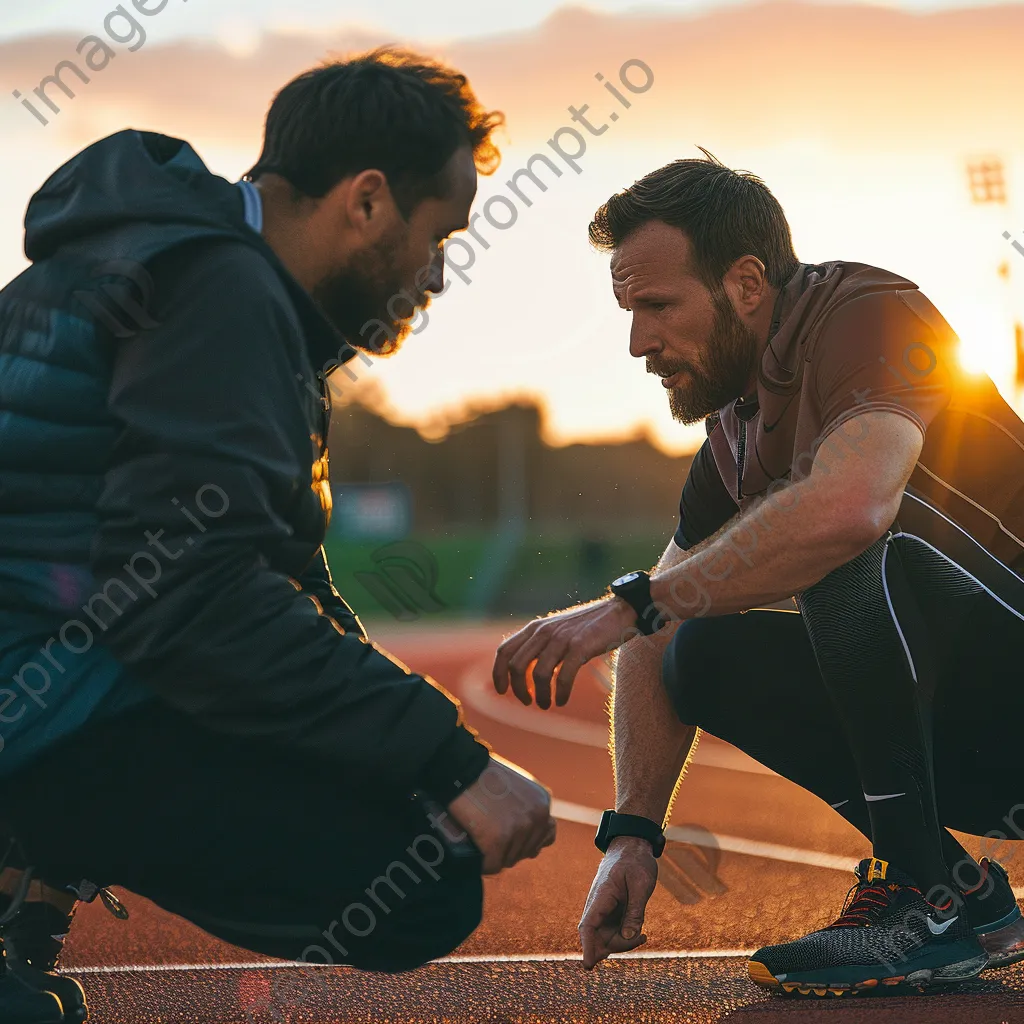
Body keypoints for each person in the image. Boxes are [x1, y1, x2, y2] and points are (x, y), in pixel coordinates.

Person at [0, 47, 556, 1023]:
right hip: (37, 694)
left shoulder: (169, 261)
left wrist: (420, 749)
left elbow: (275, 582)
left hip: (44, 664)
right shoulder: (222, 294)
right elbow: (188, 595)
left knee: (379, 775)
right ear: (369, 200)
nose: (439, 274)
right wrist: (450, 763)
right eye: (440, 236)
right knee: (419, 877)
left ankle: (29, 874)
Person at [492, 149, 1024, 996]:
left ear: (746, 284)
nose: (637, 343)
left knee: (839, 545)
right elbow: (659, 634)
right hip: (989, 746)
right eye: (629, 312)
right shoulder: (734, 438)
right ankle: (953, 892)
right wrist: (633, 831)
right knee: (696, 650)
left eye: (657, 306)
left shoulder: (868, 313)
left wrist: (629, 605)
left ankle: (927, 899)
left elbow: (851, 507)